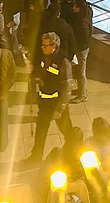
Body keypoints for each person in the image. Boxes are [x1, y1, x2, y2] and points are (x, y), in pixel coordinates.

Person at [26, 31, 74, 163]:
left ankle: (75, 151)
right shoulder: (45, 57)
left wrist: (60, 109)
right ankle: (36, 157)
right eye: (42, 45)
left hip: (56, 103)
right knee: (41, 130)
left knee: (66, 130)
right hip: (45, 102)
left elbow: (67, 88)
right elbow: (42, 73)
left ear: (54, 46)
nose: (42, 47)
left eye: (45, 45)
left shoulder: (63, 62)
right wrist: (32, 72)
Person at [66, 0, 93, 103]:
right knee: (80, 70)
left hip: (82, 48)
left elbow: (84, 36)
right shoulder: (86, 13)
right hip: (83, 47)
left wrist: (76, 45)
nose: (73, 8)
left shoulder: (82, 22)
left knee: (81, 72)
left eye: (75, 6)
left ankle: (83, 95)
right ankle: (81, 90)